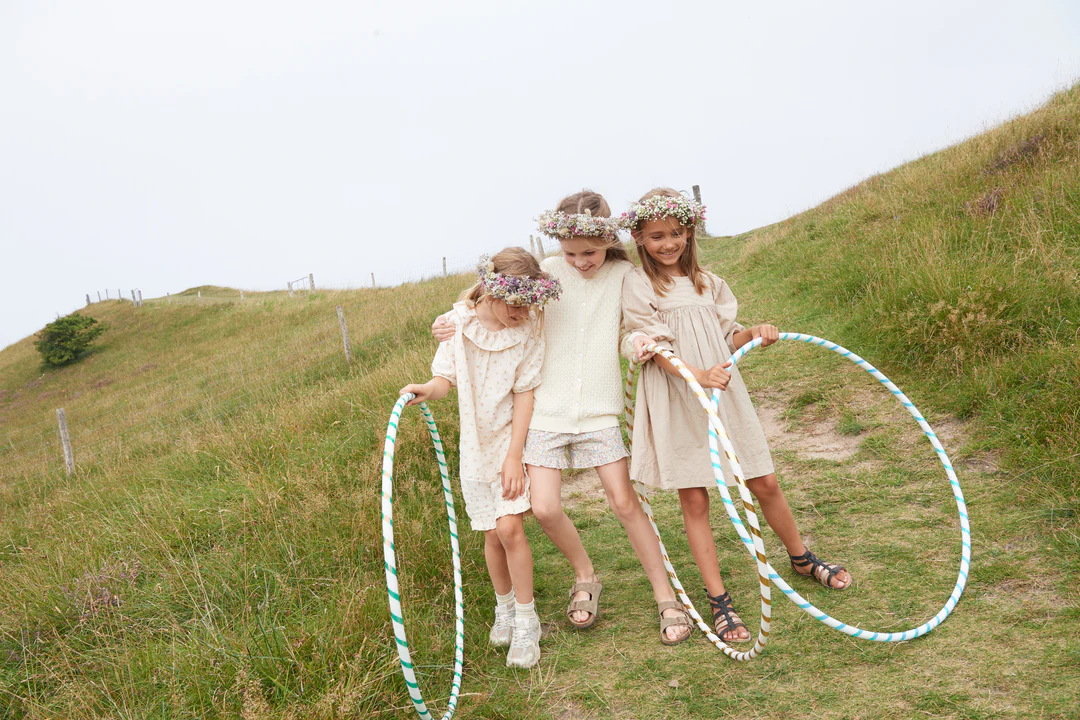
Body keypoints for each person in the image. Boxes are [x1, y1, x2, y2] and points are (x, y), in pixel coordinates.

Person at [434, 191, 694, 645]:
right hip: (544, 415)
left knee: (624, 502)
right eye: (570, 253)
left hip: (599, 413)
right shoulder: (547, 273)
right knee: (545, 508)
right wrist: (451, 321)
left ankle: (665, 596)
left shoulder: (625, 276)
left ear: (607, 241)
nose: (580, 262)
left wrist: (637, 344)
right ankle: (585, 575)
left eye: (589, 253)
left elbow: (630, 329)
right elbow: (493, 303)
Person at [622, 188, 852, 644]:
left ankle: (801, 557)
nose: (668, 243)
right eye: (656, 236)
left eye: (676, 233)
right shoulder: (640, 283)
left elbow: (729, 336)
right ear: (640, 239)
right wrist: (697, 375)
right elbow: (652, 345)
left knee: (764, 480)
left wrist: (754, 333)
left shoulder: (710, 282)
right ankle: (719, 599)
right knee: (696, 500)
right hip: (677, 394)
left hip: (723, 392)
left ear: (689, 231)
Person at [402, 247, 560, 668]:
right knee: (491, 533)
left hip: (511, 440)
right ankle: (503, 607)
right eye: (515, 305)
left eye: (528, 305)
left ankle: (527, 620)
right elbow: (443, 379)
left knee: (510, 529)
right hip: (475, 446)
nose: (522, 313)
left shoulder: (528, 330)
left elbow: (525, 395)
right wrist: (425, 390)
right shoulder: (456, 324)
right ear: (491, 292)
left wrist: (514, 457)